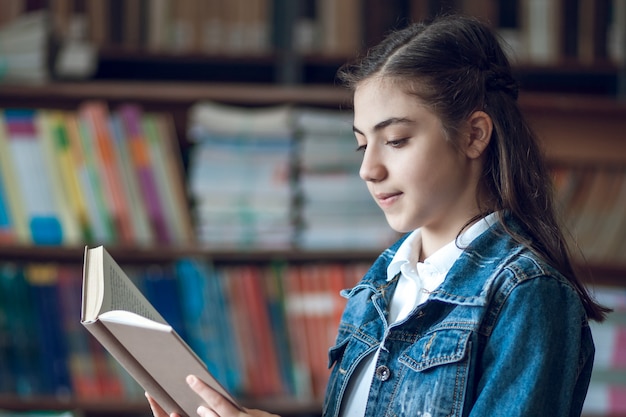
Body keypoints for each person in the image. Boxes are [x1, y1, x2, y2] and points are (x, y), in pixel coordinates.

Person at [146, 14, 610, 417]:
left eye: (397, 139)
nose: (369, 169)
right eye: (362, 144)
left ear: (473, 135)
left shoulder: (528, 294)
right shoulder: (380, 285)